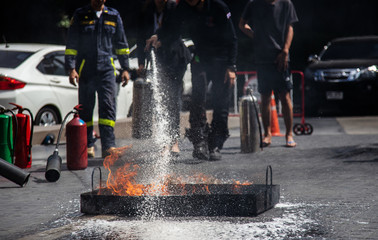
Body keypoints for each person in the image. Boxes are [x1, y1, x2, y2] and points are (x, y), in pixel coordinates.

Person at [157, 0, 238, 160]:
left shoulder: (219, 7)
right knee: (198, 99)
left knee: (221, 103)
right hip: (201, 58)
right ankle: (199, 141)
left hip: (222, 60)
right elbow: (172, 28)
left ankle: (215, 144)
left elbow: (232, 38)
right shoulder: (184, 8)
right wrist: (158, 36)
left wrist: (231, 66)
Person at [65, 0, 130, 158]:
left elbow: (121, 44)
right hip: (86, 68)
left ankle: (109, 146)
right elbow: (72, 43)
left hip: (107, 69)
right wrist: (71, 68)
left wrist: (126, 68)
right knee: (86, 108)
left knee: (108, 107)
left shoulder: (113, 16)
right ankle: (87, 145)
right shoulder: (80, 15)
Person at [239, 0, 298, 148]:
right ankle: (267, 134)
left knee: (285, 97)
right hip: (262, 58)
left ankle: (289, 134)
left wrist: (285, 50)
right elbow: (242, 24)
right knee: (265, 97)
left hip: (281, 57)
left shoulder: (286, 4)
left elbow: (290, 28)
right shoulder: (254, 4)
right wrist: (256, 36)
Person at [139, 0, 191, 157]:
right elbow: (141, 35)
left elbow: (176, 31)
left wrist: (160, 40)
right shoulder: (148, 10)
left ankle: (174, 141)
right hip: (159, 60)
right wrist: (141, 62)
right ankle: (164, 141)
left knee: (173, 100)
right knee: (161, 100)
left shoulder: (173, 8)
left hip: (175, 59)